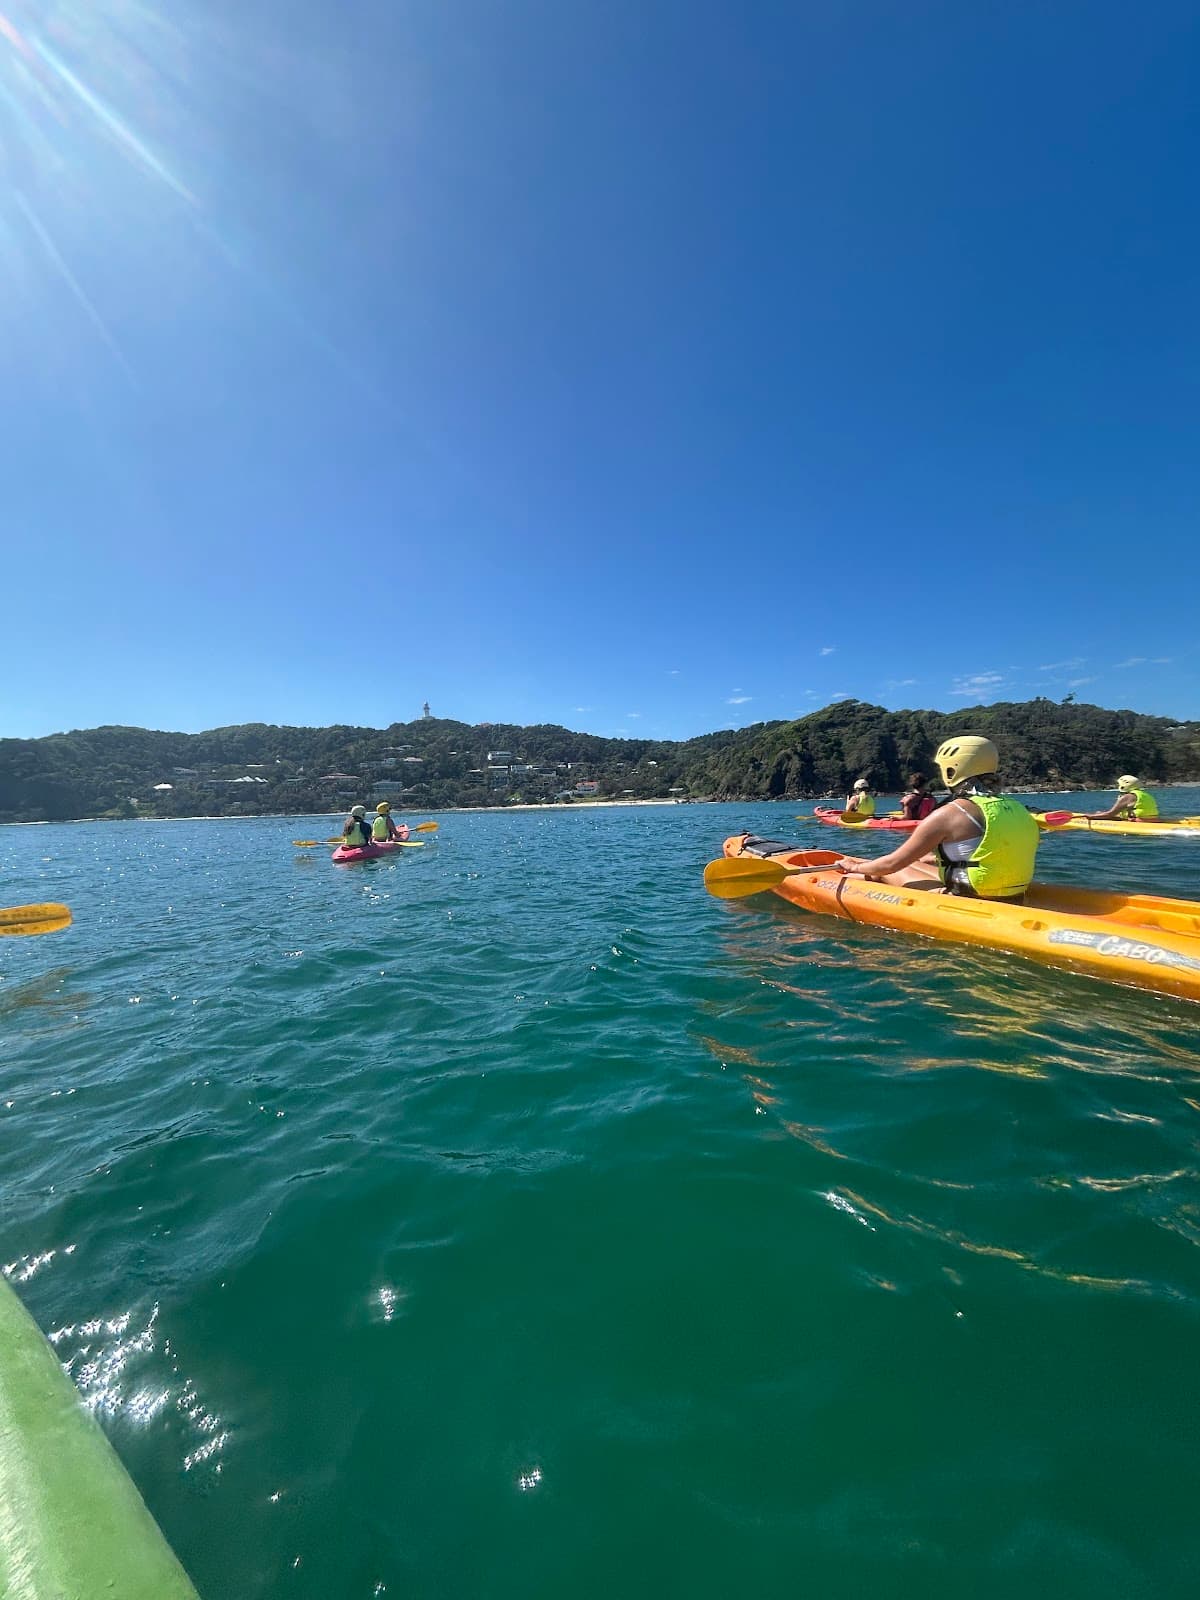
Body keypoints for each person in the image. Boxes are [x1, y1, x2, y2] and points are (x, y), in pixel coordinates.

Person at [837, 736, 1039, 901]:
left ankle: (850, 877)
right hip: (1012, 894)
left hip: (973, 897)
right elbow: (987, 851)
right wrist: (928, 858)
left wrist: (855, 867)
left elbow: (892, 864)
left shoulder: (948, 814)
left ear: (952, 769)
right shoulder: (1016, 807)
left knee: (883, 872)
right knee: (916, 863)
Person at [1078, 775, 1159, 822]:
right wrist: (1100, 814)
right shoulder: (1144, 794)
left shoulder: (1128, 796)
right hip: (1152, 820)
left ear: (1124, 786)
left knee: (1100, 814)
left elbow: (1110, 814)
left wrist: (1091, 816)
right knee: (1100, 813)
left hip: (1139, 822)